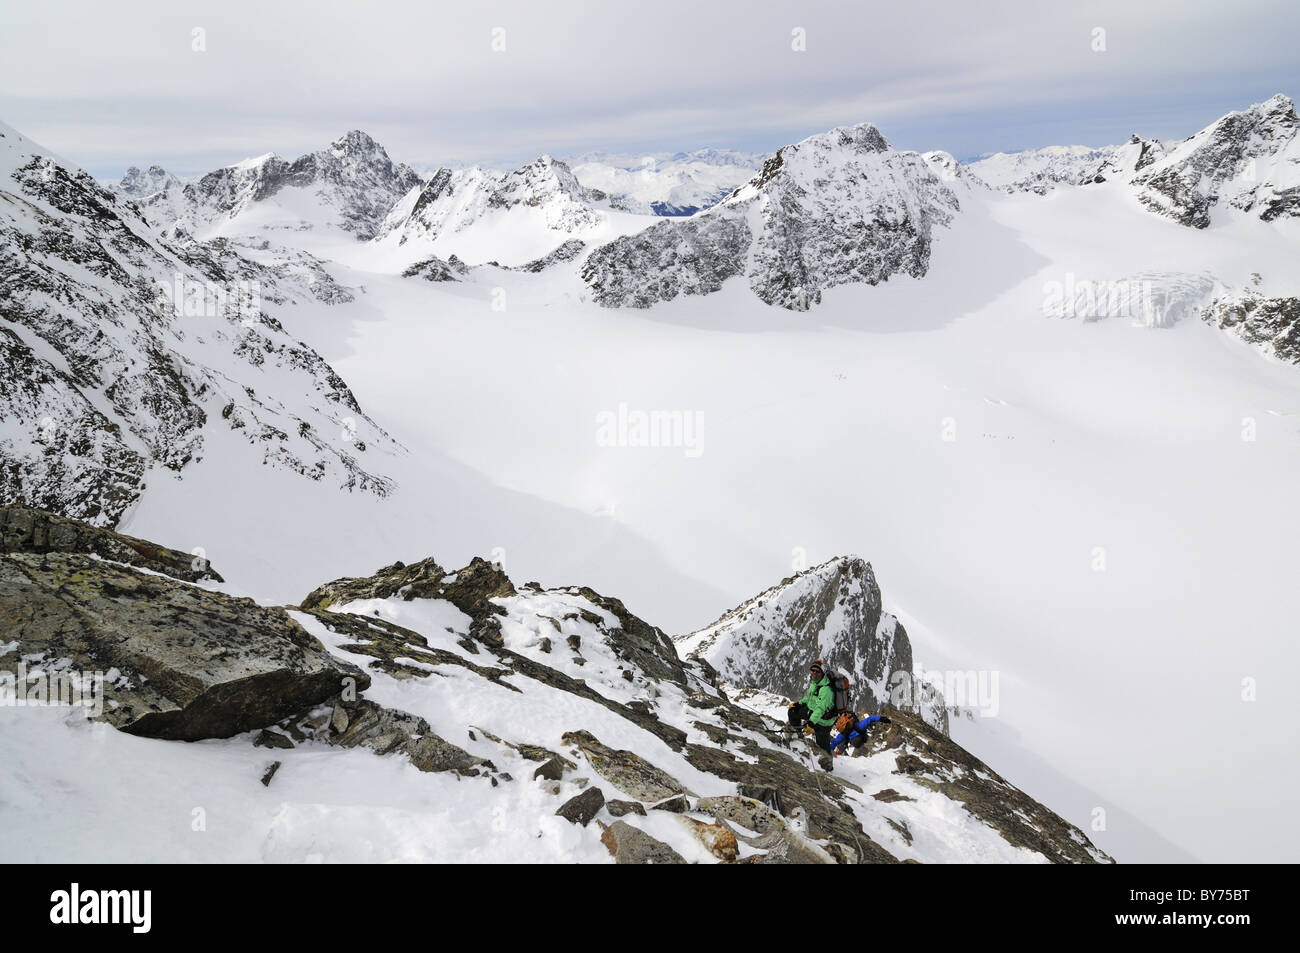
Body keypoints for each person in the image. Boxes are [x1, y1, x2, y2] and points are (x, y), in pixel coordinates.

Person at [787, 658, 837, 753]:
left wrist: (811, 723)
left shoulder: (826, 690)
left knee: (823, 749)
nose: (814, 673)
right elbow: (809, 697)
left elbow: (820, 709)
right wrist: (799, 703)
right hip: (812, 711)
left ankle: (827, 765)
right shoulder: (815, 683)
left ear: (822, 673)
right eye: (812, 670)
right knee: (793, 711)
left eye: (817, 671)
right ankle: (797, 735)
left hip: (823, 720)